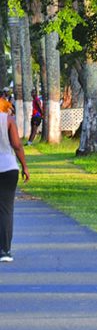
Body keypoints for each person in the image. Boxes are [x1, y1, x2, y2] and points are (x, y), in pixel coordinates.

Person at [0, 89, 31, 263]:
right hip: (8, 168)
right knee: (5, 210)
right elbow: (17, 145)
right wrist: (25, 166)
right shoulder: (8, 120)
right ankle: (5, 251)